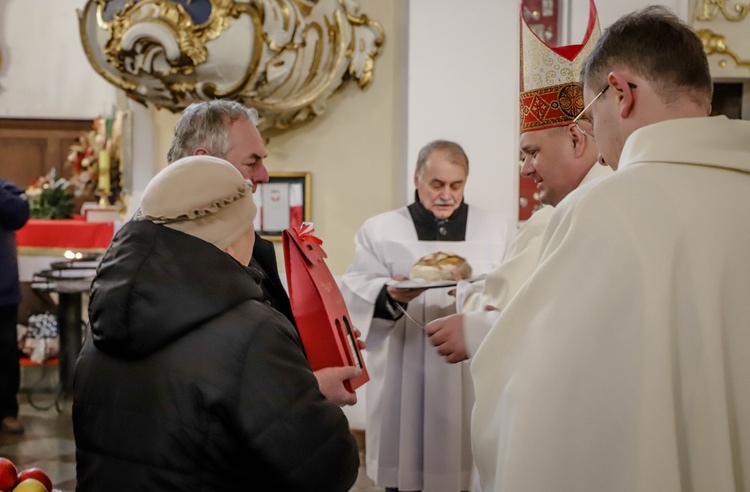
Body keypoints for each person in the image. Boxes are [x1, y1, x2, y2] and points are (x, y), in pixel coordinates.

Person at [471, 6, 750, 491]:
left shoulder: (605, 208)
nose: (594, 137)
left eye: (588, 113)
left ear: (619, 93)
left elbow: (542, 407)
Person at [73, 156, 359, 491]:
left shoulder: (106, 316)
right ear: (233, 234)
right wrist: (311, 397)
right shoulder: (253, 331)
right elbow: (328, 467)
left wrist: (296, 387)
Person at [426, 0, 611, 363]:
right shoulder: (605, 197)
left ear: (575, 139)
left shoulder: (563, 218)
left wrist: (476, 323)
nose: (526, 170)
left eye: (532, 152)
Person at [341, 140, 513, 492]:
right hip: (404, 371)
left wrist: (475, 295)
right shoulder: (381, 229)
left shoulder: (497, 229)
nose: (447, 195)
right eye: (437, 184)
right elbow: (356, 290)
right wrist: (388, 294)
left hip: (469, 375)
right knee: (403, 471)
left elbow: (511, 291)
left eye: (456, 185)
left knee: (470, 469)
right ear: (417, 179)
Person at [166, 99, 361, 406]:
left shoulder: (239, 242)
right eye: (252, 162)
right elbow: (209, 381)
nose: (265, 175)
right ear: (204, 161)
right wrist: (309, 388)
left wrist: (313, 348)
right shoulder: (172, 256)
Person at [0, 178, 30, 434]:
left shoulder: (7, 189)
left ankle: (8, 411)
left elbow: (19, 215)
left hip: (2, 290)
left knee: (6, 351)